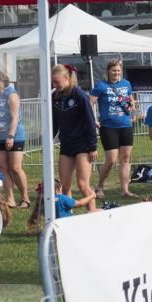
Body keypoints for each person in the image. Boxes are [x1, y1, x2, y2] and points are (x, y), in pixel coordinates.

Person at [51, 64, 97, 212]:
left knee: (83, 184)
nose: (54, 85)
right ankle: (67, 215)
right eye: (53, 82)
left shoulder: (80, 95)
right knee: (65, 185)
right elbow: (55, 122)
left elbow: (90, 121)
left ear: (66, 78)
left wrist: (92, 146)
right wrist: (47, 140)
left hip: (83, 145)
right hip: (66, 144)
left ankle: (93, 214)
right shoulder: (55, 96)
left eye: (57, 81)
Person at [90, 60, 136, 198]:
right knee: (111, 160)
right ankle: (99, 186)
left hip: (126, 125)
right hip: (109, 127)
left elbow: (131, 99)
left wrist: (132, 110)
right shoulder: (101, 85)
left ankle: (125, 190)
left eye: (118, 70)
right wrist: (94, 120)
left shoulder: (126, 84)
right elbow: (90, 102)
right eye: (114, 70)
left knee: (126, 158)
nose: (116, 73)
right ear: (108, 71)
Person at [0, 70, 30, 208]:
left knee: (15, 167)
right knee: (2, 167)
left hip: (14, 135)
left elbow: (15, 117)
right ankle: (10, 199)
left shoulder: (11, 95)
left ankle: (25, 198)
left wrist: (11, 136)